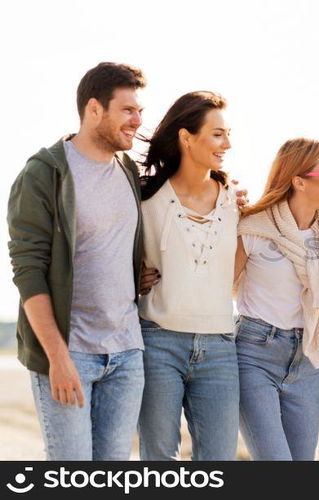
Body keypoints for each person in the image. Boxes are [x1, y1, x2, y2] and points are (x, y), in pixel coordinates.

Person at [7, 62, 147, 460]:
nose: (137, 120)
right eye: (128, 110)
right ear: (94, 109)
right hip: (70, 352)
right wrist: (57, 357)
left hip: (125, 352)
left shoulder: (128, 171)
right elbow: (28, 270)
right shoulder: (44, 173)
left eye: (139, 111)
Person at [136, 91, 240, 460]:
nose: (227, 143)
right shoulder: (145, 197)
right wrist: (132, 278)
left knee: (218, 461)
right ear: (186, 137)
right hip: (157, 342)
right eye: (217, 134)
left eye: (228, 134)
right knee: (159, 459)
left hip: (221, 347)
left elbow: (241, 269)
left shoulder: (234, 201)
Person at [233, 138, 319, 460]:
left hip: (308, 357)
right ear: (298, 180)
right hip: (255, 355)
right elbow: (218, 287)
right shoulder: (254, 228)